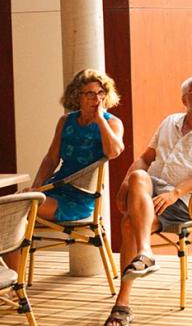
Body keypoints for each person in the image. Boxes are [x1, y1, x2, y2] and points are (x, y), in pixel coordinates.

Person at [102, 75, 192, 326]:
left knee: (129, 223)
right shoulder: (169, 122)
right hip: (151, 192)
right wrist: (125, 184)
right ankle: (146, 253)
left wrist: (174, 193)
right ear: (185, 99)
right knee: (139, 175)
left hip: (184, 199)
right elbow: (145, 158)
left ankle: (122, 303)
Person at [2, 69, 124, 274]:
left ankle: (16, 285)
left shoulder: (112, 122)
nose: (97, 98)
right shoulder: (66, 121)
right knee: (10, 211)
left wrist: (100, 119)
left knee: (16, 211)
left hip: (81, 198)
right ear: (77, 95)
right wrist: (37, 186)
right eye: (90, 93)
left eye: (101, 93)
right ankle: (14, 280)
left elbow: (114, 152)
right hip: (55, 188)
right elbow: (51, 158)